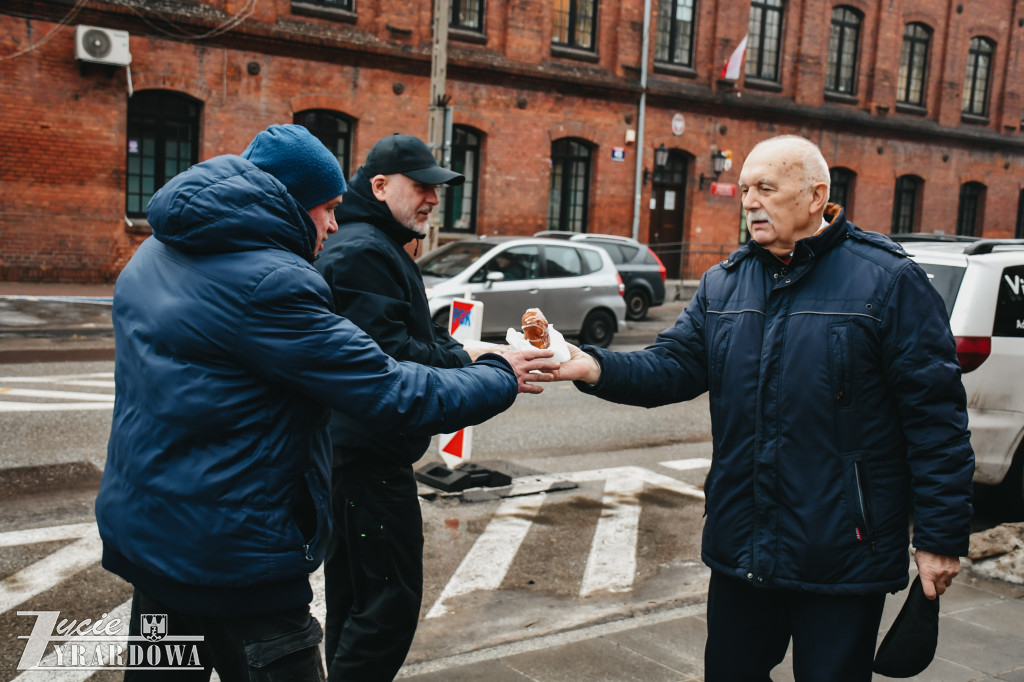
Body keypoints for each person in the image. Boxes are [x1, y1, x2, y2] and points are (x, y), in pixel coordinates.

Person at [95, 124, 556, 681]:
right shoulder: (273, 285)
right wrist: (499, 374)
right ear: (290, 201)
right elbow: (391, 391)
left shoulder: (154, 253)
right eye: (328, 209)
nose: (335, 224)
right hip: (236, 554)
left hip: (151, 536)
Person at [552, 135, 975, 681]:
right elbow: (672, 366)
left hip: (841, 553)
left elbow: (936, 422)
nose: (749, 202)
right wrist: (591, 365)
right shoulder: (723, 284)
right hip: (742, 548)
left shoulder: (890, 282)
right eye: (745, 188)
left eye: (766, 189)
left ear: (816, 196)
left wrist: (939, 539)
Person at [314, 133, 494, 681]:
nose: (433, 200)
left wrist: (468, 350)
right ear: (379, 186)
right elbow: (389, 361)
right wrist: (479, 365)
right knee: (386, 607)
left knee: (355, 599)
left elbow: (411, 338)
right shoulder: (365, 251)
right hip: (368, 460)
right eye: (421, 188)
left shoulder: (376, 243)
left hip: (352, 454)